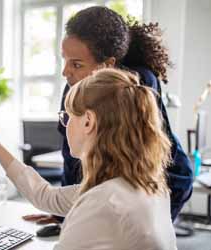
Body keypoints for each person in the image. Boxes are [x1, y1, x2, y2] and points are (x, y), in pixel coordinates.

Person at [0, 68, 177, 250]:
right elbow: (46, 197)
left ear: (88, 121)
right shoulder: (144, 186)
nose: (64, 124)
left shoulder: (104, 202)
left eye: (67, 116)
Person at [23, 6, 193, 232]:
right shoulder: (73, 86)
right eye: (65, 60)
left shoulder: (137, 83)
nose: (66, 72)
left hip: (166, 181)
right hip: (114, 191)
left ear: (108, 64)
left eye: (76, 64)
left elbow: (129, 164)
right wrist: (63, 215)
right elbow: (72, 158)